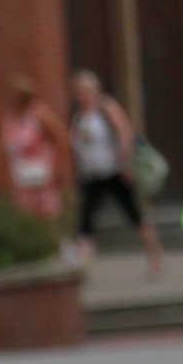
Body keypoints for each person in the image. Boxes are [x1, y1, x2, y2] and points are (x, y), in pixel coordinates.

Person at [70, 68, 162, 273]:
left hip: (114, 172)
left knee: (135, 215)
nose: (82, 95)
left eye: (85, 91)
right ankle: (81, 269)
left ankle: (155, 258)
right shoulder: (77, 116)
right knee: (85, 222)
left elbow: (125, 134)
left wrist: (125, 164)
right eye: (78, 92)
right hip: (91, 176)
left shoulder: (106, 108)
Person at [0, 75, 69, 223]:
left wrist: (60, 167)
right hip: (20, 175)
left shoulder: (39, 114)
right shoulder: (9, 118)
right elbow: (3, 146)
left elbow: (60, 138)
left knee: (46, 213)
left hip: (42, 173)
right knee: (25, 214)